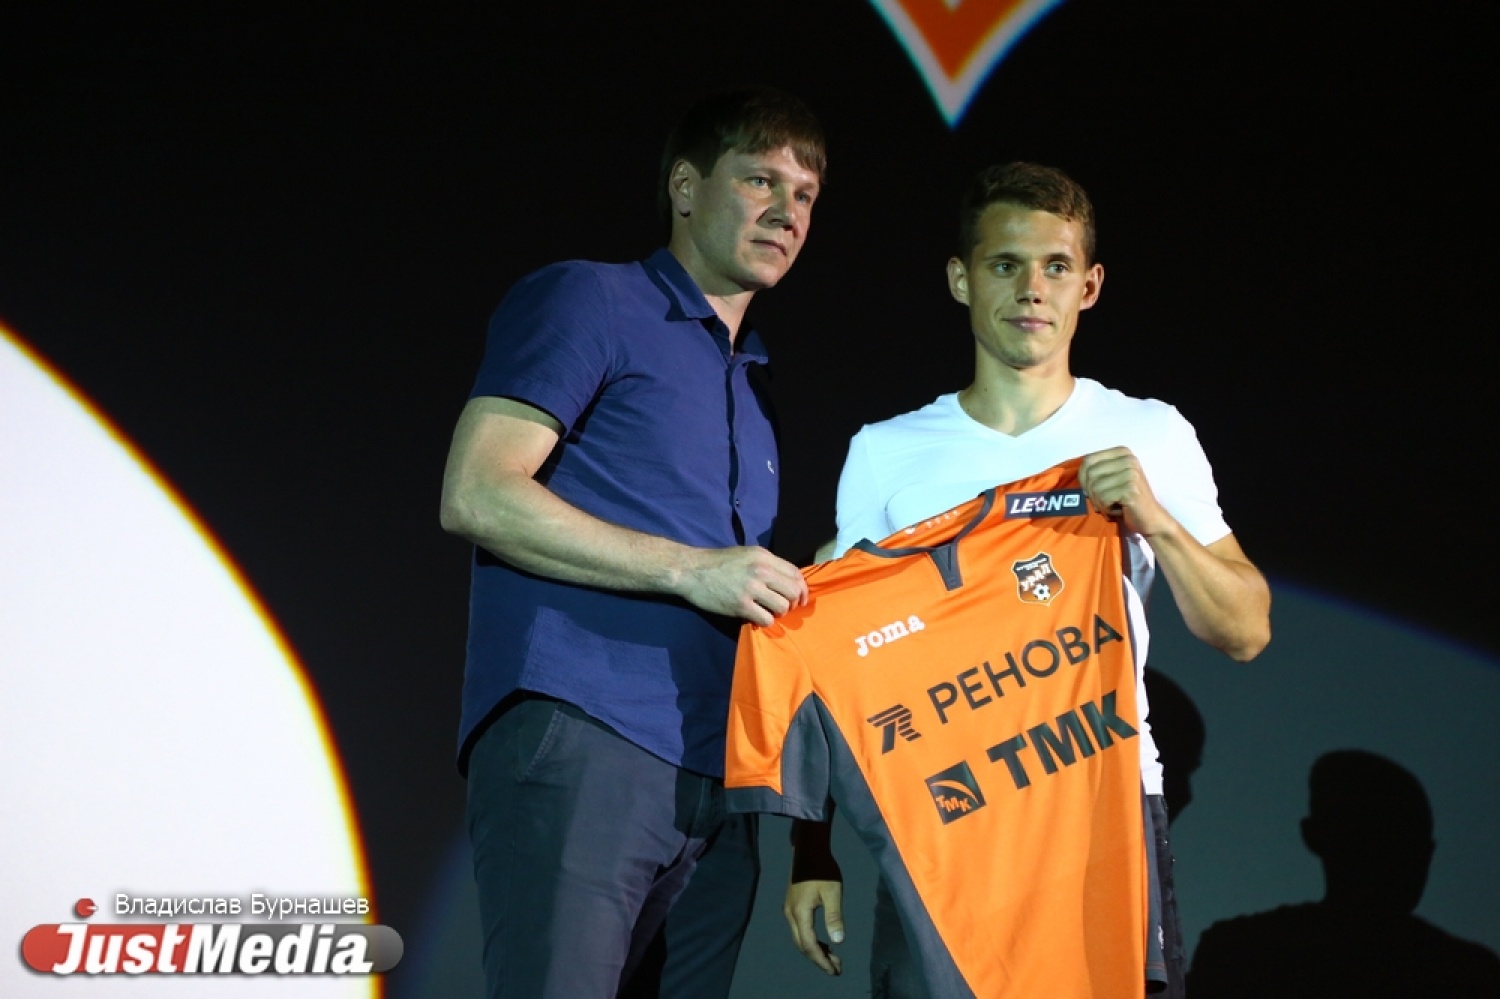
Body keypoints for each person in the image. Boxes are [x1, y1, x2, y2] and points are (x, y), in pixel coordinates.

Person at [782, 162, 1271, 997]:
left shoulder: (1149, 432)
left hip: (1103, 812)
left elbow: (1246, 629)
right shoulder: (886, 452)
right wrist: (810, 849)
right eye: (1005, 264)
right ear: (961, 279)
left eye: (1055, 266)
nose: (1031, 289)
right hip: (941, 817)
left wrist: (1155, 521)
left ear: (1090, 285)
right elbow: (838, 667)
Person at [438, 88, 825, 999]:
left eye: (806, 194)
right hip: (589, 736)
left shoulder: (754, 383)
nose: (787, 210)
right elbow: (478, 490)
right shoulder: (593, 298)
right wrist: (693, 569)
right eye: (760, 180)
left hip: (719, 784)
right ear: (686, 187)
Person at [1188, 750, 1500, 998]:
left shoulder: (1243, 952)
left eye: (1408, 841)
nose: (1397, 859)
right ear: (1317, 836)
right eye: (1371, 836)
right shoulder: (1465, 972)